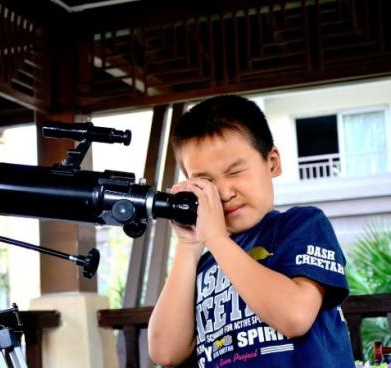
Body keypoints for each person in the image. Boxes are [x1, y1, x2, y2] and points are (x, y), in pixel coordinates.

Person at [147, 95, 355, 367]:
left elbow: (295, 316)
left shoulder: (302, 225)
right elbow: (165, 352)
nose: (224, 192)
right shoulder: (204, 265)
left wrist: (217, 239)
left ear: (272, 162)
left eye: (235, 172)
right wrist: (188, 246)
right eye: (206, 182)